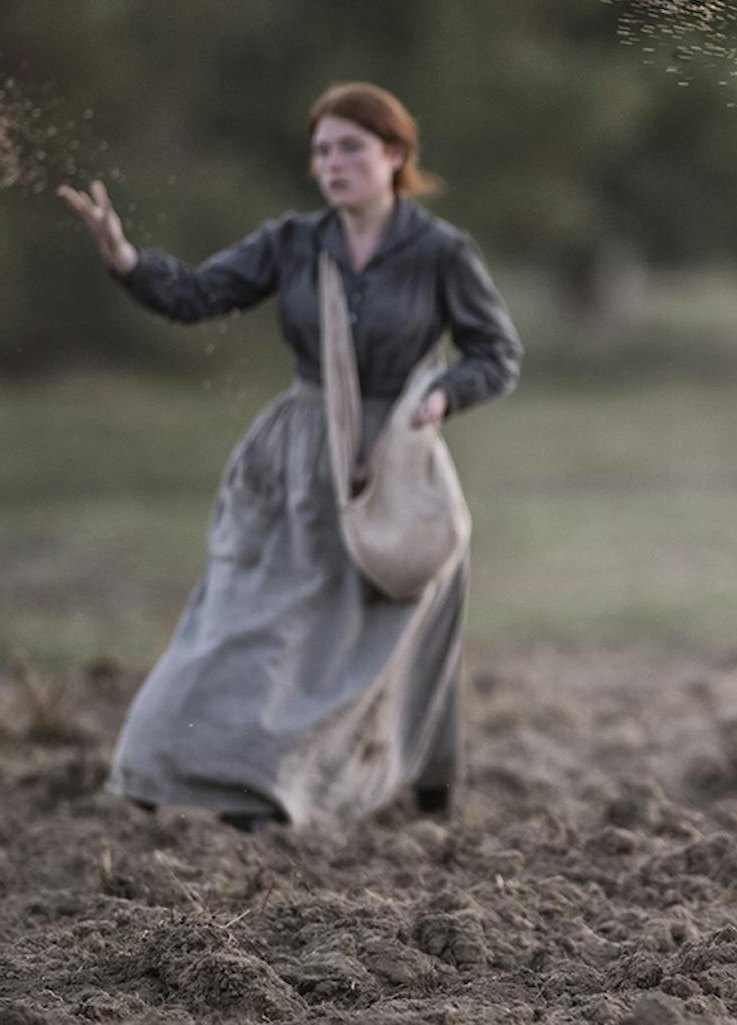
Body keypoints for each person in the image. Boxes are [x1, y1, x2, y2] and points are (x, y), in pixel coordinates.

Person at [56, 82, 521, 831]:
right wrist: (125, 257)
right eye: (321, 150)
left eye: (350, 147)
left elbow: (496, 355)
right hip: (300, 462)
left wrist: (442, 395)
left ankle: (395, 791)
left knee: (392, 635)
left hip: (395, 466)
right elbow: (197, 295)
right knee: (248, 622)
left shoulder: (441, 252)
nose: (331, 163)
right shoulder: (294, 242)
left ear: (394, 155)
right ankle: (181, 767)